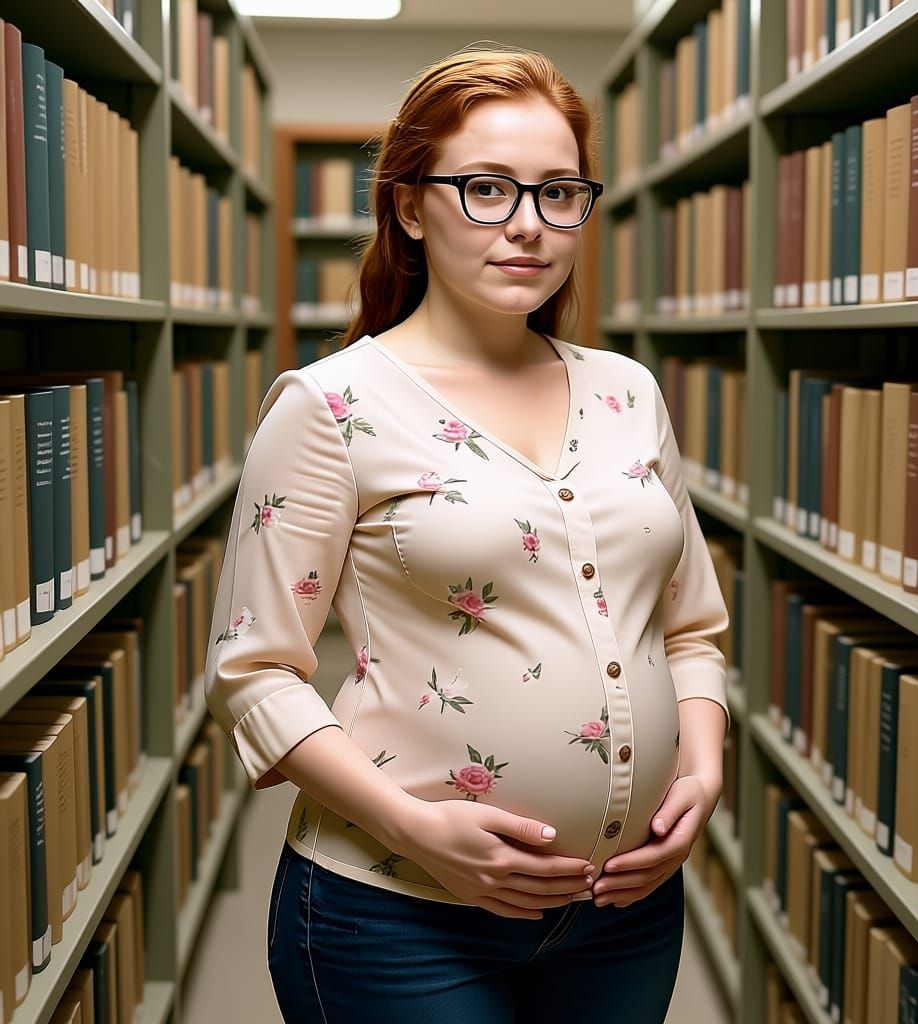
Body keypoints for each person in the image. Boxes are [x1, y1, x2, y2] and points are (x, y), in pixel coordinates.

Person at [204, 44, 730, 1024]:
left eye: (558, 192)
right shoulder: (329, 406)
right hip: (400, 912)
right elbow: (255, 671)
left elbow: (688, 627)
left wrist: (700, 768)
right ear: (409, 206)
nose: (527, 226)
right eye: (485, 189)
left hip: (622, 906)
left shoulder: (629, 392)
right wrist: (418, 827)